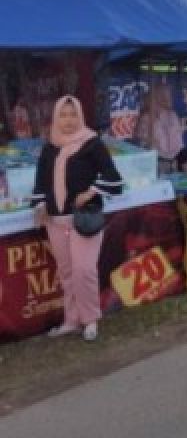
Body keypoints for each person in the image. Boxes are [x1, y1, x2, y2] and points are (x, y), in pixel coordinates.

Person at [32, 96, 124, 341]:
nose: (68, 121)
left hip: (85, 218)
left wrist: (91, 191)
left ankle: (90, 319)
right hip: (56, 220)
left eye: (73, 115)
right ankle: (71, 320)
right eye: (63, 115)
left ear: (80, 117)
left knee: (84, 270)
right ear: (56, 118)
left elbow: (114, 179)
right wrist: (41, 204)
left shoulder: (91, 143)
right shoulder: (50, 147)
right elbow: (41, 181)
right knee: (67, 272)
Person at [136, 82, 187, 174]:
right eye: (165, 94)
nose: (169, 97)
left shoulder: (172, 115)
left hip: (173, 163)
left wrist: (184, 165)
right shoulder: (146, 118)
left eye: (169, 94)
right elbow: (141, 142)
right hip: (155, 165)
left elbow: (179, 143)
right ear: (157, 97)